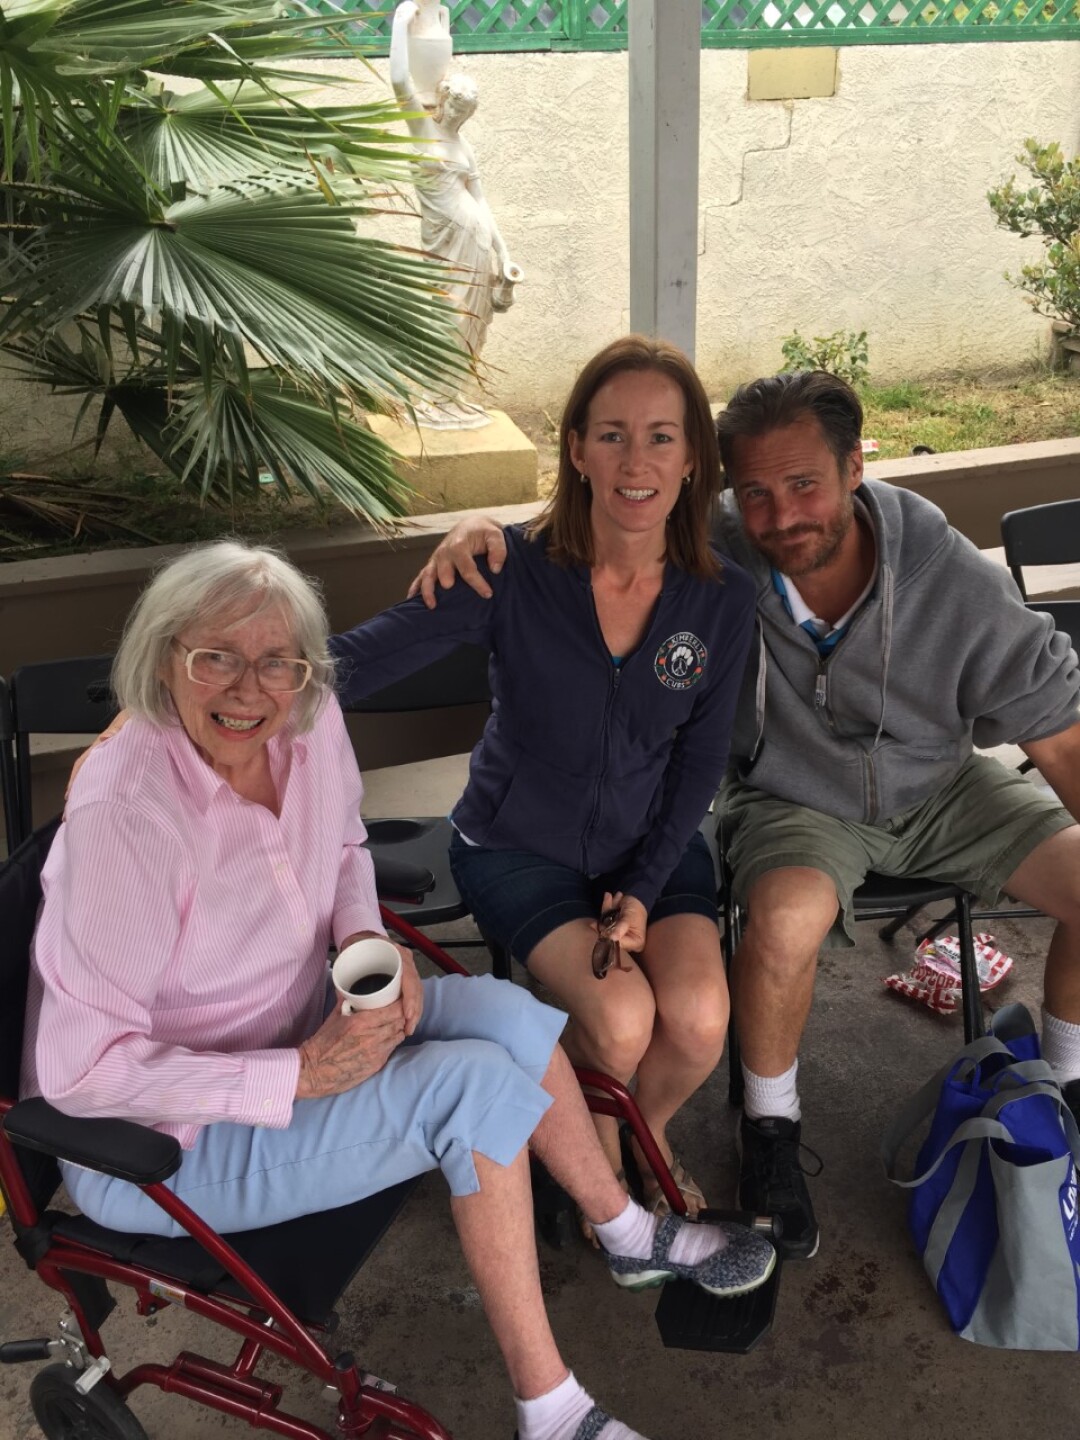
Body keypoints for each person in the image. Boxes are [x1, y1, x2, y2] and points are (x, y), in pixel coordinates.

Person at [22, 541, 774, 1440]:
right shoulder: (127, 817)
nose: (248, 690)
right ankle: (552, 1411)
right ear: (162, 659)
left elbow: (342, 847)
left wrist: (369, 943)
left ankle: (623, 1233)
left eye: (275, 662)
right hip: (162, 1144)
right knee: (473, 1093)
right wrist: (297, 1075)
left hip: (301, 1014)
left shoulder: (302, 717)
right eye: (213, 656)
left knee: (511, 1015)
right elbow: (81, 1075)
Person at [404, 367, 1080, 1264]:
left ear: (855, 468)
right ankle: (769, 1130)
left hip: (944, 782)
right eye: (755, 491)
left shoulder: (943, 573)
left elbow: (1060, 736)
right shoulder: (721, 550)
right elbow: (607, 523)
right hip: (795, 797)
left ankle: (1062, 1090)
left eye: (805, 484)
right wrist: (486, 530)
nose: (781, 516)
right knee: (784, 920)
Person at [330, 336, 758, 1226]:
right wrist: (197, 691)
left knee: (701, 1018)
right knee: (624, 1021)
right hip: (516, 843)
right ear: (575, 448)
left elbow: (698, 762)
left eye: (661, 438)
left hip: (653, 844)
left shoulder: (720, 601)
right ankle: (602, 1169)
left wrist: (643, 888)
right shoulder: (507, 572)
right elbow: (354, 663)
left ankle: (651, 1131)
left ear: (692, 460)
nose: (635, 461)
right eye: (611, 435)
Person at [389, 1, 522, 426]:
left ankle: (455, 394)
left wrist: (504, 253)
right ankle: (432, 397)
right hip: (444, 240)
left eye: (467, 112)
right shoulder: (422, 130)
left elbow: (481, 202)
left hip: (477, 239)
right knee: (445, 314)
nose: (459, 116)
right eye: (456, 107)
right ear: (443, 102)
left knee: (474, 320)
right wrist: (399, 23)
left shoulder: (465, 147)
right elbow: (398, 79)